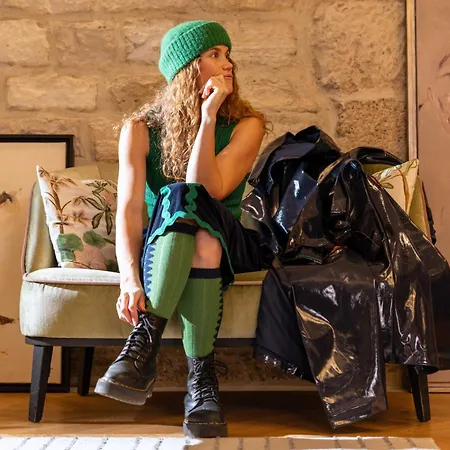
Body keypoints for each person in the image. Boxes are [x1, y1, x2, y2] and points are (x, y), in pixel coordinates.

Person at [94, 20, 270, 438]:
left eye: (227, 54)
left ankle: (143, 345)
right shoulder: (140, 129)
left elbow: (207, 191)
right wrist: (129, 279)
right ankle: (202, 386)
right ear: (188, 68)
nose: (228, 64)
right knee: (197, 235)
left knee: (186, 200)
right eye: (214, 54)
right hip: (167, 244)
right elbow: (129, 212)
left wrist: (208, 118)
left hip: (231, 240)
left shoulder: (247, 125)